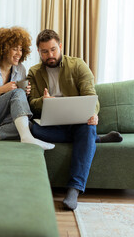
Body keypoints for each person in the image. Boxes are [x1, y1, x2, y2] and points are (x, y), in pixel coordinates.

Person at [28, 29, 123, 210]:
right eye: (45, 51)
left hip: (78, 122)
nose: (50, 55)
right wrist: (43, 102)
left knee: (87, 128)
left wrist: (93, 114)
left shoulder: (78, 65)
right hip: (52, 125)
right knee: (33, 130)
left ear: (60, 46)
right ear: (38, 52)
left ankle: (74, 188)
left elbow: (90, 96)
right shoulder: (33, 72)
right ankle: (96, 139)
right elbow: (31, 104)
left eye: (53, 49)